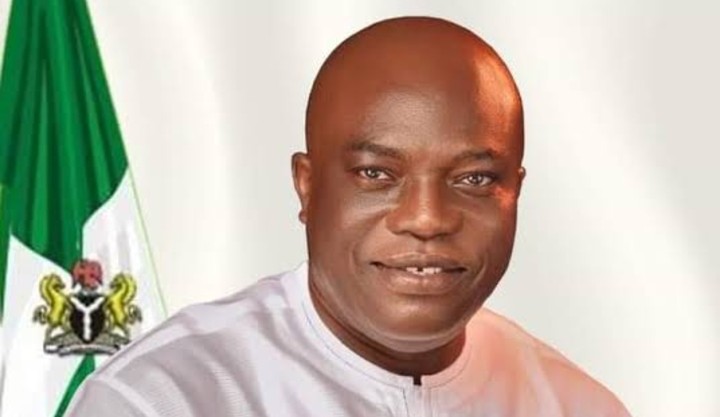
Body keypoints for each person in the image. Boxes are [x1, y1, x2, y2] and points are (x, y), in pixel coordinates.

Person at [67, 16, 631, 416]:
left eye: (474, 179)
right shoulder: (162, 400)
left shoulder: (576, 406)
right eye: (377, 174)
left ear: (515, 193)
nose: (427, 219)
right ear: (307, 188)